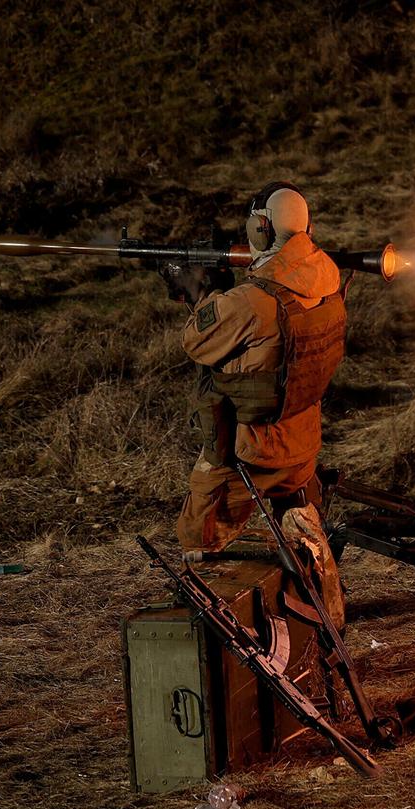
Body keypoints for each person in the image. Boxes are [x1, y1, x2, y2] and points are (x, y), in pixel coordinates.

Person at [160, 181, 347, 618]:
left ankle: (216, 632)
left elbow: (196, 343)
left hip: (255, 450)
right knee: (303, 531)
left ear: (262, 229)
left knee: (198, 532)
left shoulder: (251, 302)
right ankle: (326, 616)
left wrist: (199, 292)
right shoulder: (328, 278)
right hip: (302, 442)